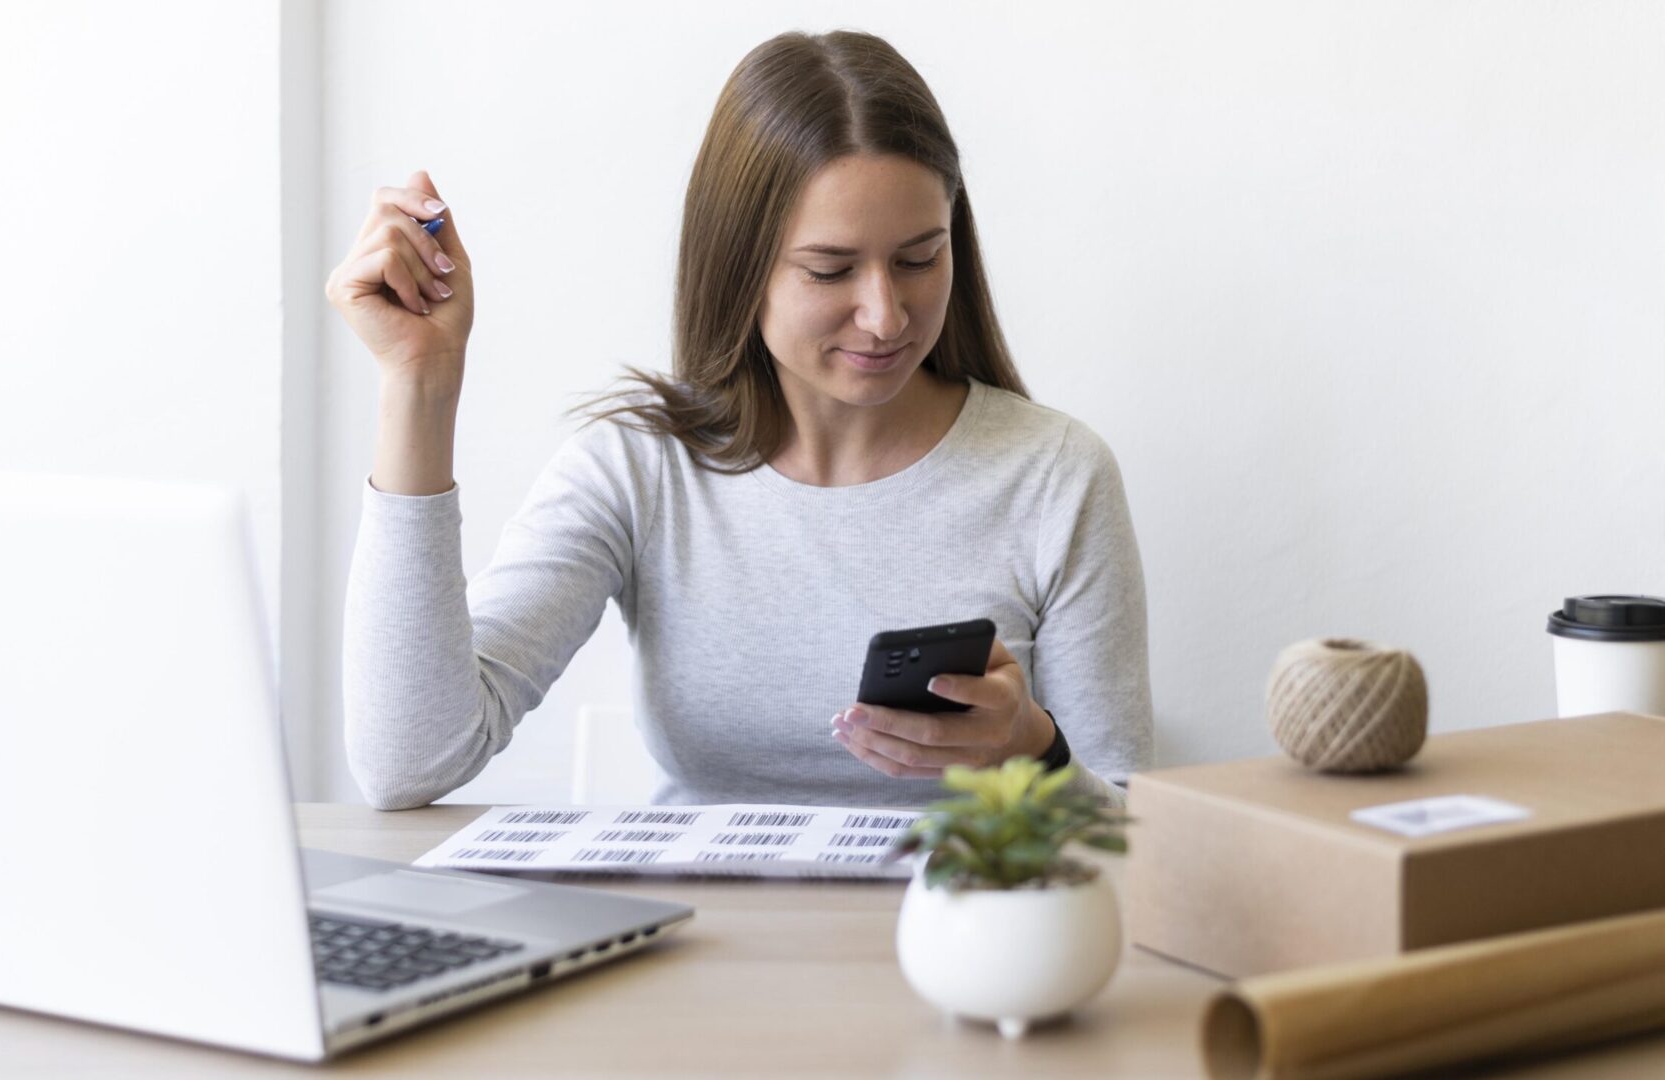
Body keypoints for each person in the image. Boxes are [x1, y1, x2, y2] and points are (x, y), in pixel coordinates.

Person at [326, 29, 1152, 811]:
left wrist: (1033, 748)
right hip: (702, 947)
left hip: (966, 946)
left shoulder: (1055, 475)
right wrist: (419, 382)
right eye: (830, 269)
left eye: (918, 259)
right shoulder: (638, 471)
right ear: (739, 266)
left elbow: (1133, 838)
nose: (886, 315)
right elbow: (409, 760)